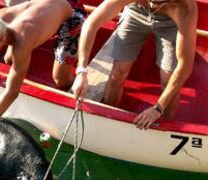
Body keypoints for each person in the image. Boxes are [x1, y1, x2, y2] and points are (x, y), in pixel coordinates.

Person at [0, 0, 86, 145]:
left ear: (2, 38)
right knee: (9, 60)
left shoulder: (22, 42)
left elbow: (12, 92)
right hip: (49, 7)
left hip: (71, 15)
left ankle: (77, 82)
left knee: (60, 79)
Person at [71, 0, 197, 129]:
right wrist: (81, 71)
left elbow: (184, 64)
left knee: (168, 82)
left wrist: (158, 108)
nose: (153, 6)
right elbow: (91, 24)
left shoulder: (185, 7)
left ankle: (166, 127)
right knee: (117, 74)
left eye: (159, 3)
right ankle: (107, 120)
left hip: (171, 23)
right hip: (135, 10)